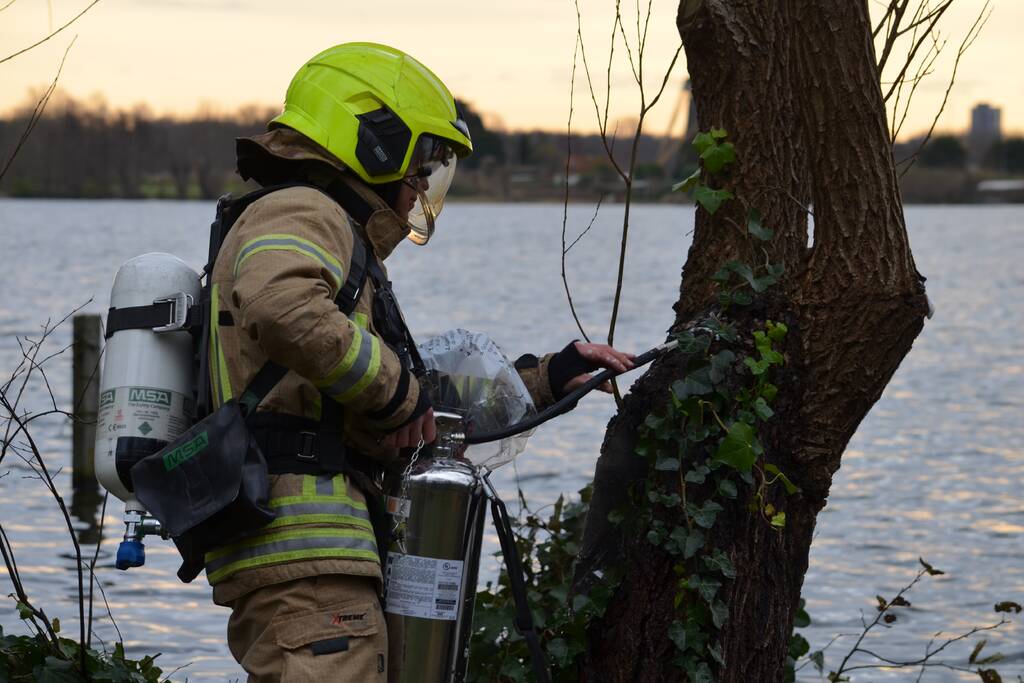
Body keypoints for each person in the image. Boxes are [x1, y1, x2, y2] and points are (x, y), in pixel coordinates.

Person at [205, 42, 634, 681]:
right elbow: (285, 307)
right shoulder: (302, 209)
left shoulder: (335, 235)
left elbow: (414, 398)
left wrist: (546, 381)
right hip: (306, 553)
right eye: (420, 164)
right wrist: (399, 397)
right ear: (374, 142)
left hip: (326, 557)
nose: (420, 191)